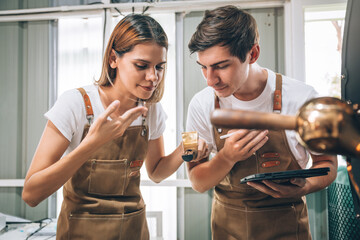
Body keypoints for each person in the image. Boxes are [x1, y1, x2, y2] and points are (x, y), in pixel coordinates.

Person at [22, 14, 207, 240]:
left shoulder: (151, 110)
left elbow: (157, 172)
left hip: (133, 230)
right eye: (141, 65)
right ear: (113, 59)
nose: (153, 77)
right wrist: (92, 144)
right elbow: (31, 194)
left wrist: (186, 148)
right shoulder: (76, 104)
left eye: (159, 67)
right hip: (81, 232)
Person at [186, 5, 338, 240]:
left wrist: (306, 186)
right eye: (203, 68)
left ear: (253, 54)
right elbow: (197, 181)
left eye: (221, 66)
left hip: (288, 226)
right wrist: (227, 157)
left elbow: (327, 164)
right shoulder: (200, 104)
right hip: (226, 229)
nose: (210, 80)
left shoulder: (303, 98)